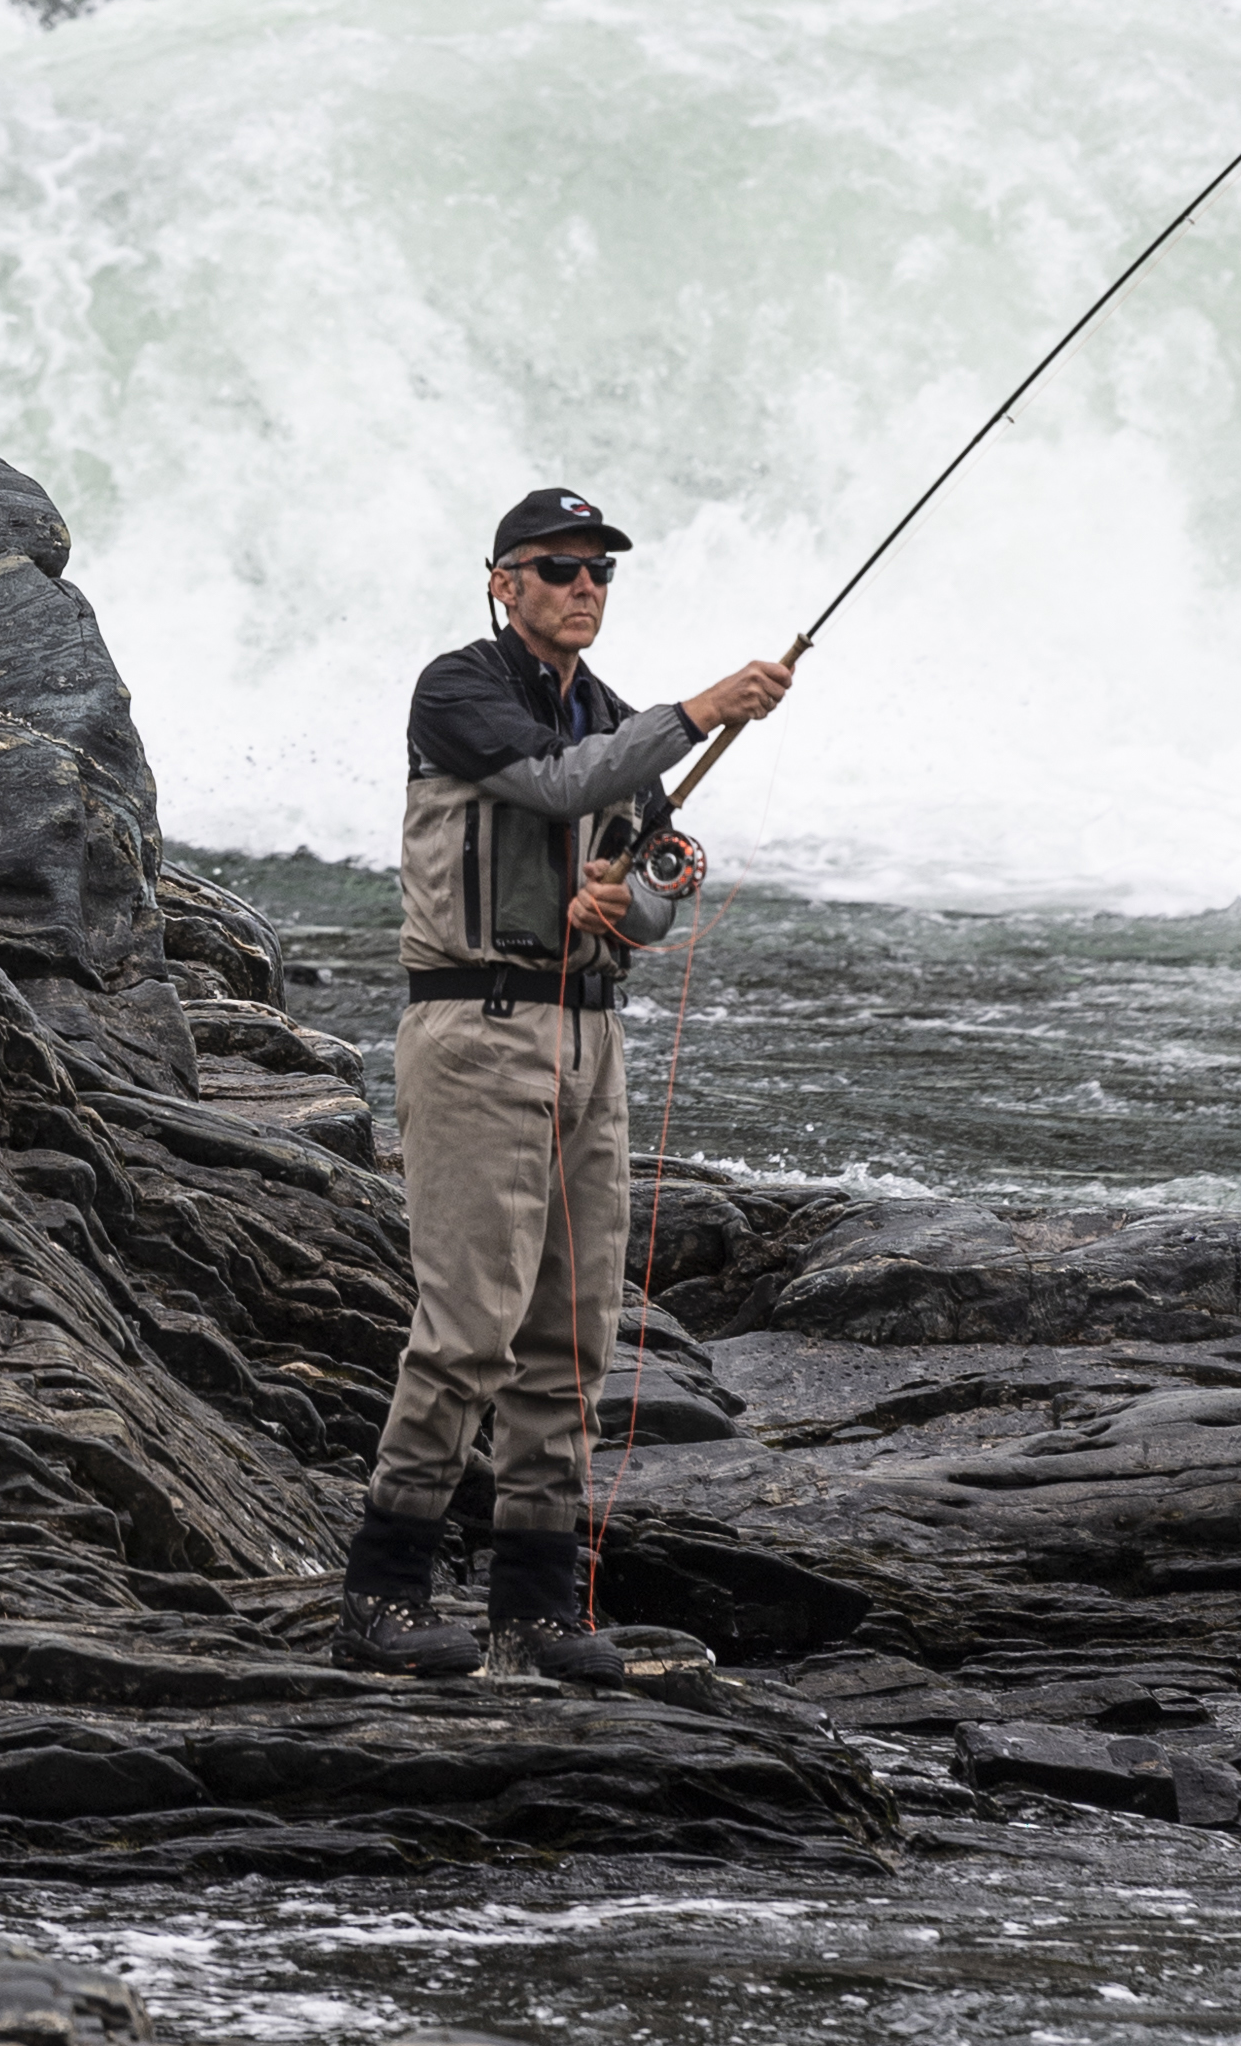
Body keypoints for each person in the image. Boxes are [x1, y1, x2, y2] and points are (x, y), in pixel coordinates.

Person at [334, 487, 793, 1683]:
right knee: (468, 1327)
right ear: (503, 583)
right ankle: (381, 1594)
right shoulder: (457, 691)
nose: (582, 587)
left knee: (572, 1336)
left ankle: (535, 1610)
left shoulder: (609, 715)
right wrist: (697, 711)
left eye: (598, 572)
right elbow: (555, 785)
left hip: (590, 1045)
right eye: (557, 568)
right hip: (476, 1031)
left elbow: (652, 882)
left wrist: (625, 906)